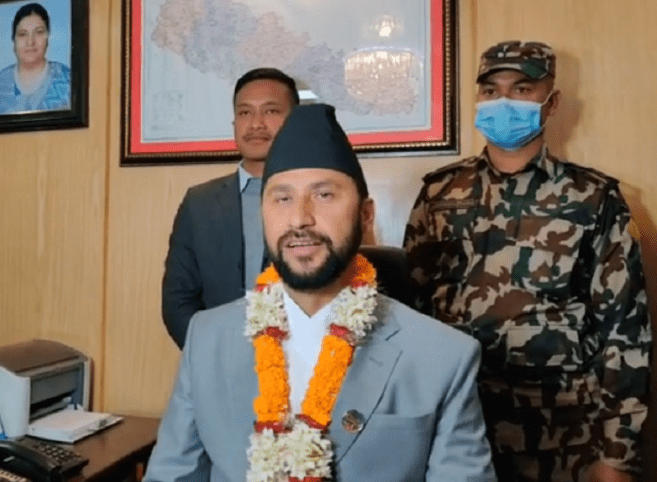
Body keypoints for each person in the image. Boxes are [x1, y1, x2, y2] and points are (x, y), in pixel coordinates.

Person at [144, 104, 496, 481]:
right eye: (282, 198)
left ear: (365, 215)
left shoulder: (442, 356)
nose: (299, 218)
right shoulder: (207, 338)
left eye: (324, 195)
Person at [403, 40, 651, 482]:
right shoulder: (440, 194)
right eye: (491, 90)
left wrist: (617, 455)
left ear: (550, 102)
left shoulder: (594, 198)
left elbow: (625, 332)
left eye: (521, 89)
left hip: (564, 436)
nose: (504, 101)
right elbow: (411, 316)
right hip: (458, 428)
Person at [161, 68, 299, 349]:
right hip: (217, 359)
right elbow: (178, 301)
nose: (256, 124)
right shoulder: (200, 203)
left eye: (271, 111)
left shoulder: (319, 199)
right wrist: (212, 356)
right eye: (245, 113)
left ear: (295, 121)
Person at [0, 3, 71, 115]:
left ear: (48, 37)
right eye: (22, 34)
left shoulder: (68, 80)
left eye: (39, 32)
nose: (30, 42)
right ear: (13, 39)